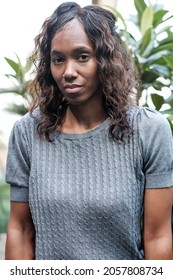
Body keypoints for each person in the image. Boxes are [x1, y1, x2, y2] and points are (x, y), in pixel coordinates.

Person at [5, 2, 173, 260]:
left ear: (105, 59)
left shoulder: (148, 130)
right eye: (58, 59)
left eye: (82, 56)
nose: (68, 72)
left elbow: (157, 236)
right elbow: (20, 230)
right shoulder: (28, 133)